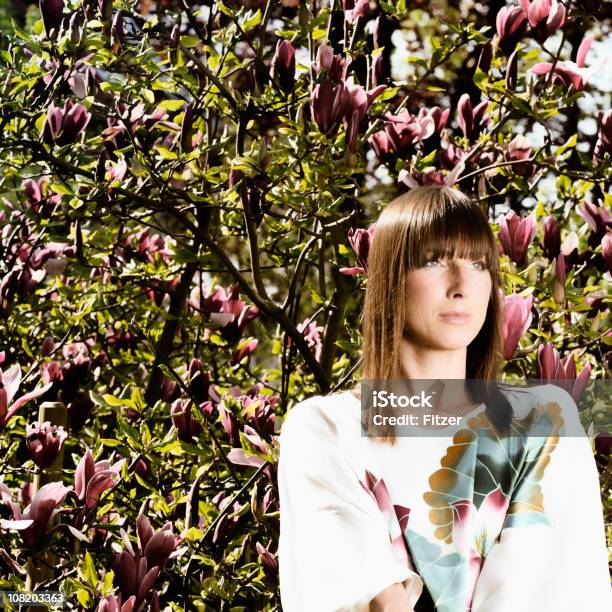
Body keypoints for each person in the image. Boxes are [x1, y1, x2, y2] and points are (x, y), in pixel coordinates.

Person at [276, 186, 611, 612]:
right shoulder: (325, 428)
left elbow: (556, 591)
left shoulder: (543, 422)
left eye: (478, 263)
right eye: (434, 260)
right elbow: (364, 595)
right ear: (390, 278)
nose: (462, 285)